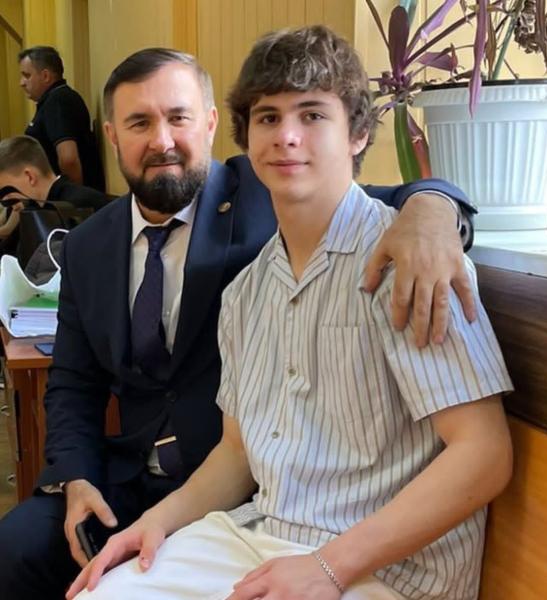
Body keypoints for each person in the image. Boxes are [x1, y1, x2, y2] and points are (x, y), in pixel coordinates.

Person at [0, 45, 476, 600]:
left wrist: (432, 209)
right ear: (112, 135)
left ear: (209, 125)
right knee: (17, 549)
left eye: (178, 117)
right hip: (131, 481)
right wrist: (76, 477)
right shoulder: (88, 245)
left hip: (246, 490)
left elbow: (371, 196)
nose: (161, 140)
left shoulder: (266, 190)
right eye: (139, 122)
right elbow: (73, 381)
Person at [19, 46, 105, 191]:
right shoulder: (52, 100)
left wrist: (71, 198)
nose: (21, 83)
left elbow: (68, 159)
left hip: (70, 200)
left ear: (45, 76)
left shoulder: (58, 100)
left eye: (27, 76)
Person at [0, 136, 109, 212]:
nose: (5, 201)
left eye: (6, 192)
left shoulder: (80, 208)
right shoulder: (44, 209)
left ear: (30, 177)